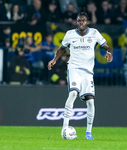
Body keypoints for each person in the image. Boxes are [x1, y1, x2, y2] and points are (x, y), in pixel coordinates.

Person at [48, 11, 113, 140]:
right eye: (79, 20)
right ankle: (64, 127)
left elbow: (107, 47)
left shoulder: (94, 33)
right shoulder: (70, 34)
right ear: (76, 22)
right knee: (73, 94)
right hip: (74, 68)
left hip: (88, 72)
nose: (81, 22)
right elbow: (62, 48)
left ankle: (88, 132)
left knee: (90, 102)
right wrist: (54, 59)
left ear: (87, 22)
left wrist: (109, 53)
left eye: (83, 20)